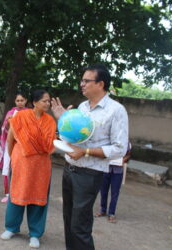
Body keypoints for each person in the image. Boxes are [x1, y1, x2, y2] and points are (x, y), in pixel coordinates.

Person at [51, 64, 129, 250]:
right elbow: (72, 138)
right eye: (82, 80)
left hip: (90, 174)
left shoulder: (116, 111)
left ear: (100, 84)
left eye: (87, 81)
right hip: (69, 169)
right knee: (69, 220)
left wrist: (85, 152)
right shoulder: (82, 107)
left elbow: (120, 148)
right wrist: (63, 120)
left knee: (80, 226)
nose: (82, 84)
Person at [0, 89, 57, 249]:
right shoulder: (21, 117)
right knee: (17, 194)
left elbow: (51, 145)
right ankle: (11, 228)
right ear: (35, 102)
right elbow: (11, 140)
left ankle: (35, 234)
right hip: (21, 163)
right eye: (45, 100)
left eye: (48, 101)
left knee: (38, 198)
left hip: (41, 166)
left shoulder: (50, 121)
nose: (47, 103)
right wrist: (15, 159)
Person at [0, 93, 28, 203]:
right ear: (15, 101)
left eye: (22, 100)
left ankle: (20, 192)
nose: (20, 102)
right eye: (18, 100)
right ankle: (8, 193)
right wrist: (8, 123)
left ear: (26, 101)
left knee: (20, 169)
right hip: (10, 144)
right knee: (6, 167)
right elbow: (4, 129)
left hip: (22, 146)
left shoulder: (29, 113)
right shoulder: (10, 113)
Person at [95, 142, 132, 223]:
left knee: (114, 193)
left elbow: (128, 154)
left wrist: (123, 160)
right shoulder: (108, 140)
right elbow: (102, 151)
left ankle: (111, 214)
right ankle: (103, 210)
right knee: (103, 191)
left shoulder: (126, 142)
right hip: (106, 168)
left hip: (118, 171)